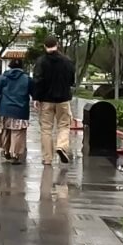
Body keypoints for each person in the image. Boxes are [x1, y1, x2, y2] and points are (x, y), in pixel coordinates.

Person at [33, 35, 76, 165]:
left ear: (44, 46)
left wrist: (36, 97)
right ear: (57, 44)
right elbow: (71, 81)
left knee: (46, 129)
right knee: (64, 125)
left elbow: (38, 80)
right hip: (63, 99)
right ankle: (61, 146)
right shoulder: (67, 61)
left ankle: (47, 158)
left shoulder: (41, 61)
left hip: (46, 100)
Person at [0, 59, 35, 164]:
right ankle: (15, 155)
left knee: (5, 131)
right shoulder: (27, 79)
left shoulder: (3, 77)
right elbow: (35, 94)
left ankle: (6, 150)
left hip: (4, 110)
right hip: (20, 111)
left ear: (9, 66)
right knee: (17, 133)